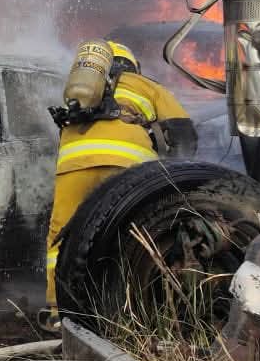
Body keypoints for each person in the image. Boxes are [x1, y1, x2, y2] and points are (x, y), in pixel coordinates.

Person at [45, 40, 196, 313]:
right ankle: (130, 309)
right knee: (133, 234)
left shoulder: (80, 89)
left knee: (61, 236)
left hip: (75, 163)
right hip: (128, 168)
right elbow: (183, 133)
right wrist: (174, 176)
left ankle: (58, 311)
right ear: (132, 66)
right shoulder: (146, 86)